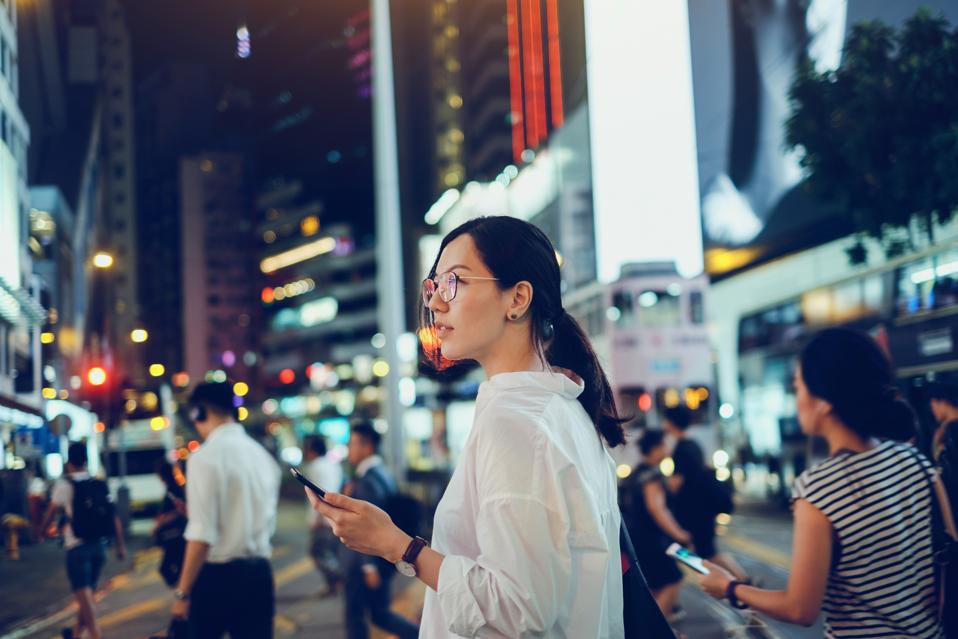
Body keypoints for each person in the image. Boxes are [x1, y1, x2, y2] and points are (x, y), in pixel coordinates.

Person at [307, 216, 626, 636]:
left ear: (517, 299)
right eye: (434, 286)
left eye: (454, 282)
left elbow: (517, 609)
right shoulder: (565, 410)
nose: (437, 303)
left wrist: (396, 545)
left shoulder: (516, 424)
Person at [699, 328, 945, 638]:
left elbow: (800, 609)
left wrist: (729, 587)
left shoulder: (818, 489)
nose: (797, 397)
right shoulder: (917, 462)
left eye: (799, 387)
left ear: (825, 402)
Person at [170, 382, 281, 638]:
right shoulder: (262, 456)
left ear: (198, 412)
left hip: (217, 579)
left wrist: (182, 593)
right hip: (259, 575)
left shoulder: (204, 458)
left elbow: (202, 534)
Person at [334, 422, 419, 639]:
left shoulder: (367, 480)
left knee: (356, 617)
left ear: (367, 446)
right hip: (381, 559)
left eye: (352, 444)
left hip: (362, 564)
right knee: (379, 614)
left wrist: (369, 567)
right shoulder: (383, 473)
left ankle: (421, 635)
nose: (349, 449)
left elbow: (365, 528)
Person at [40, 441, 126, 639]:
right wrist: (120, 546)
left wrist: (41, 531)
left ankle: (95, 635)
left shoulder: (64, 485)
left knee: (85, 598)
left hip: (77, 549)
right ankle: (77, 634)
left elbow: (51, 513)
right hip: (98, 548)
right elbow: (114, 517)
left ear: (69, 462)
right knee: (87, 598)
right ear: (86, 460)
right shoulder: (97, 484)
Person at [663, 406, 746, 582]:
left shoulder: (681, 449)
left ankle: (740, 582)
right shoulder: (694, 445)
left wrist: (661, 488)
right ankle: (735, 582)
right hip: (701, 510)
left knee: (699, 553)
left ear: (671, 423)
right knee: (698, 552)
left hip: (694, 512)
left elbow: (677, 483)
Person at [622, 430, 688, 618]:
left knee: (653, 588)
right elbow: (657, 510)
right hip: (652, 541)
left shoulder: (635, 474)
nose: (667, 449)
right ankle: (655, 629)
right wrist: (679, 534)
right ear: (656, 448)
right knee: (673, 580)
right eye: (664, 445)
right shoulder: (651, 477)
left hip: (636, 540)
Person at [303, 435, 343, 597]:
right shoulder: (334, 465)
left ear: (312, 450)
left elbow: (316, 496)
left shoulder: (315, 467)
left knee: (317, 552)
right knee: (330, 552)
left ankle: (338, 578)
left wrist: (315, 520)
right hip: (336, 517)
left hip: (323, 519)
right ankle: (332, 584)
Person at [928, 381, 958, 515]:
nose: (933, 412)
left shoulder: (951, 430)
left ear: (943, 402)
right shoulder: (945, 430)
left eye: (933, 406)